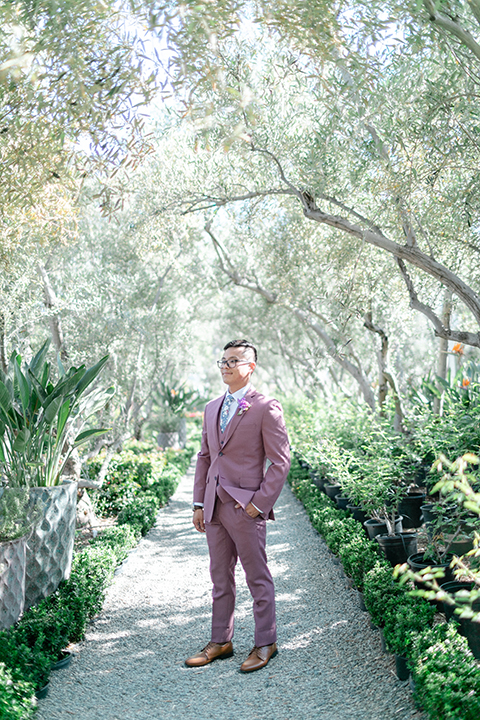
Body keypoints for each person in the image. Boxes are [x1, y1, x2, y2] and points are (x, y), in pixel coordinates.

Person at [185, 339, 290, 673]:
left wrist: (259, 504)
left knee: (256, 576)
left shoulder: (265, 407)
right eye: (223, 361)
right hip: (214, 507)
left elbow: (280, 461)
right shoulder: (211, 407)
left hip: (245, 507)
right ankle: (221, 640)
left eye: (234, 361)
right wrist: (199, 503)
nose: (226, 366)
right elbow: (205, 457)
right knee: (220, 576)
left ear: (250, 367)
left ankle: (265, 642)